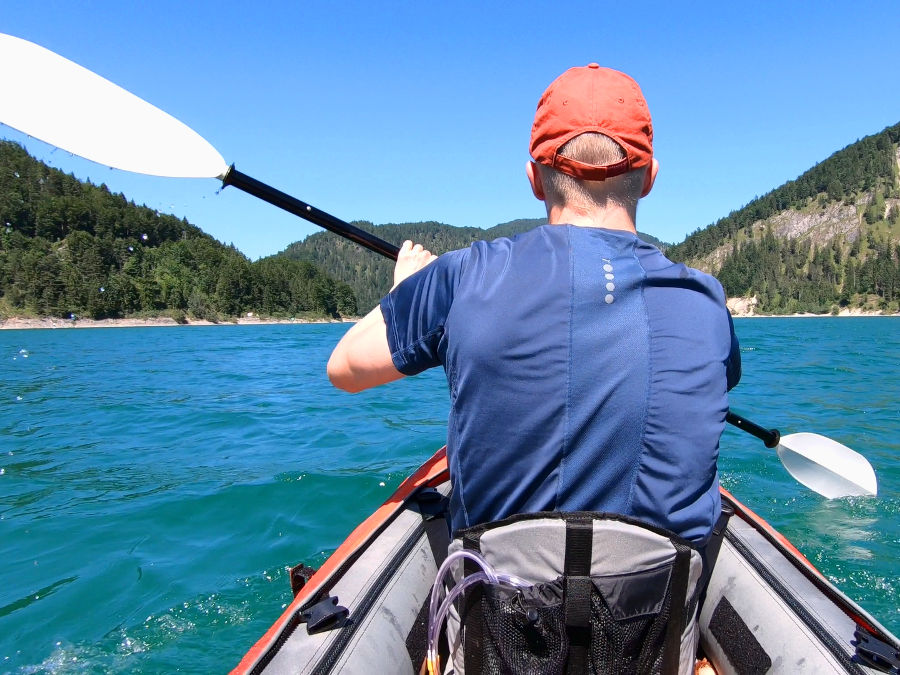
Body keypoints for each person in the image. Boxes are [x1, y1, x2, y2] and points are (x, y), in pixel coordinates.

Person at [327, 63, 741, 549]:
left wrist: (410, 290)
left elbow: (343, 370)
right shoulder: (707, 303)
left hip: (496, 616)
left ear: (534, 179)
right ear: (649, 177)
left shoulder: (464, 275)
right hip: (656, 620)